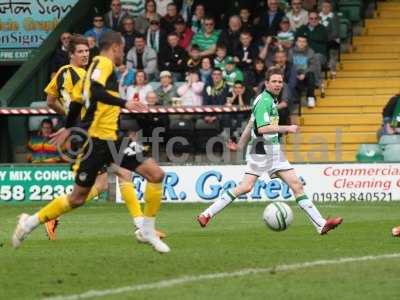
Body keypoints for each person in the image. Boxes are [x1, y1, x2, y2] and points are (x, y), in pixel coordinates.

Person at [12, 31, 170, 253]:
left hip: (114, 139)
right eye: (122, 49)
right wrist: (126, 103)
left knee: (155, 174)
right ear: (115, 47)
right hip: (95, 141)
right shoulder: (103, 63)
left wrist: (67, 126)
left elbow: (77, 102)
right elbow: (93, 93)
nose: (123, 53)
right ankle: (28, 223)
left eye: (87, 50)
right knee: (77, 198)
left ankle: (146, 229)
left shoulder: (91, 71)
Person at [197, 67, 343, 235]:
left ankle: (321, 224)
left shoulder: (268, 100)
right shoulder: (265, 101)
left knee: (295, 185)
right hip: (261, 150)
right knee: (246, 187)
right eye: (273, 81)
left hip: (273, 150)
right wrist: (288, 127)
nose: (277, 84)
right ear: (266, 83)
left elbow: (251, 124)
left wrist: (239, 145)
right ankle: (207, 213)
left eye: (280, 81)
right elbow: (263, 128)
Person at [288, 35, 318, 108]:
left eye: (303, 41)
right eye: (299, 41)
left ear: (306, 43)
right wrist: (296, 74)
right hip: (294, 73)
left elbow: (313, 66)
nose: (301, 43)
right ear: (296, 42)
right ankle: (294, 98)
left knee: (311, 75)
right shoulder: (291, 52)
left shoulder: (310, 52)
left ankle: (310, 98)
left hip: (306, 74)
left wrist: (304, 73)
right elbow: (289, 65)